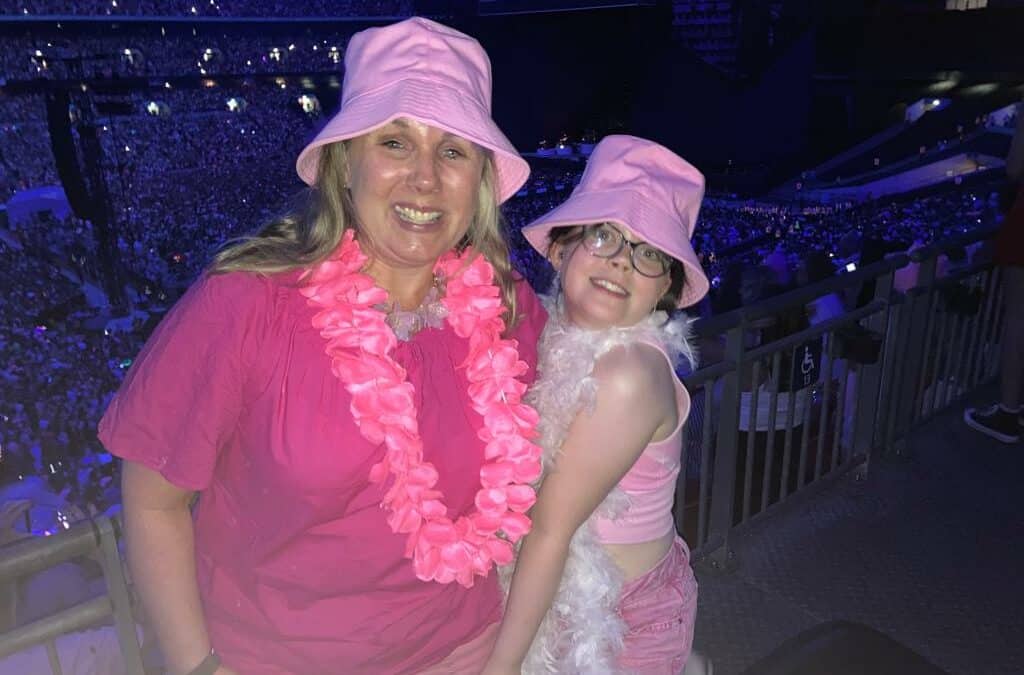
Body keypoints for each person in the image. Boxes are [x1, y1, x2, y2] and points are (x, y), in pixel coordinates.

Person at [98, 17, 547, 675]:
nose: (424, 178)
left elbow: (586, 403)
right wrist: (199, 667)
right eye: (395, 142)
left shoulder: (509, 310)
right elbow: (151, 498)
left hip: (464, 652)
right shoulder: (246, 305)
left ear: (478, 179)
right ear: (345, 164)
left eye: (452, 151)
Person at [481, 136, 708, 674]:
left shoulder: (628, 374)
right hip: (553, 591)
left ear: (665, 291)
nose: (622, 263)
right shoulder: (542, 331)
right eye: (605, 235)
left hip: (624, 619)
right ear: (562, 250)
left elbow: (550, 529)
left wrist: (501, 668)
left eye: (649, 253)